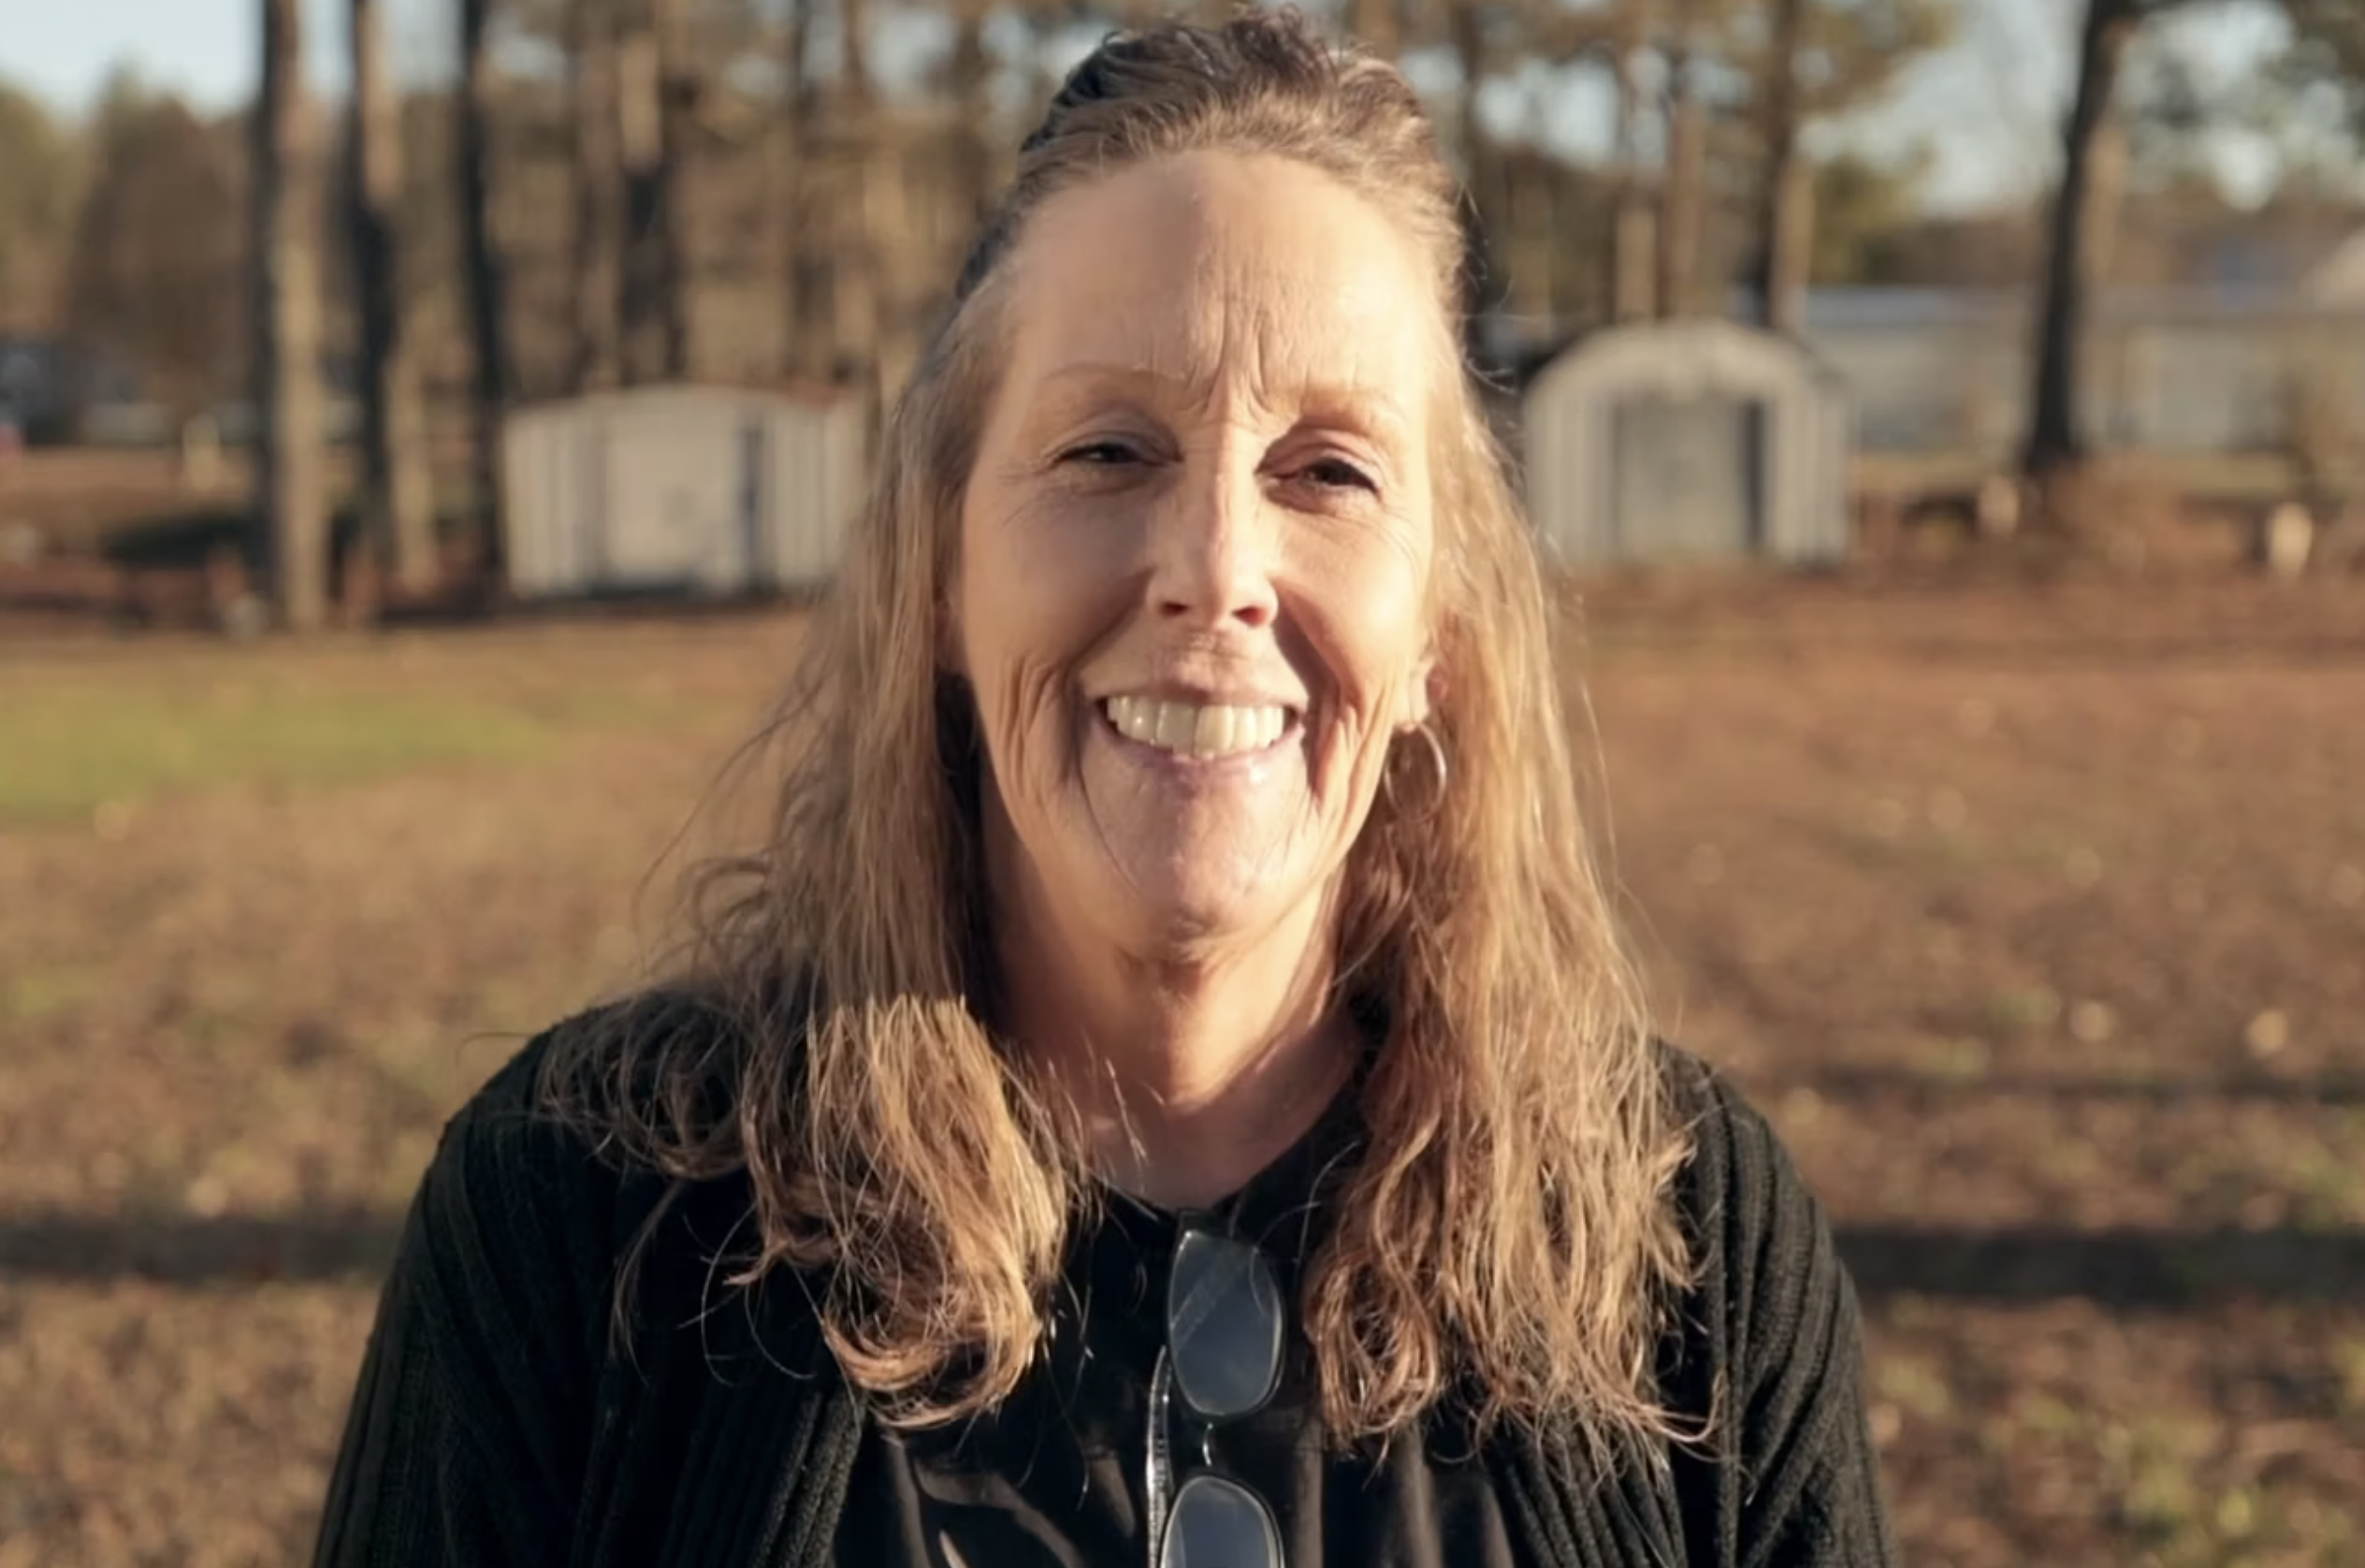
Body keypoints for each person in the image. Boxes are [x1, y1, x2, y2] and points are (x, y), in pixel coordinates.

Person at [312, 11, 1895, 1567]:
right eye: (1106, 453)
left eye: (1329, 469)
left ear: (1444, 636)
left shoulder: (1688, 1248)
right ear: (938, 574)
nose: (1215, 570)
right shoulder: (580, 1223)